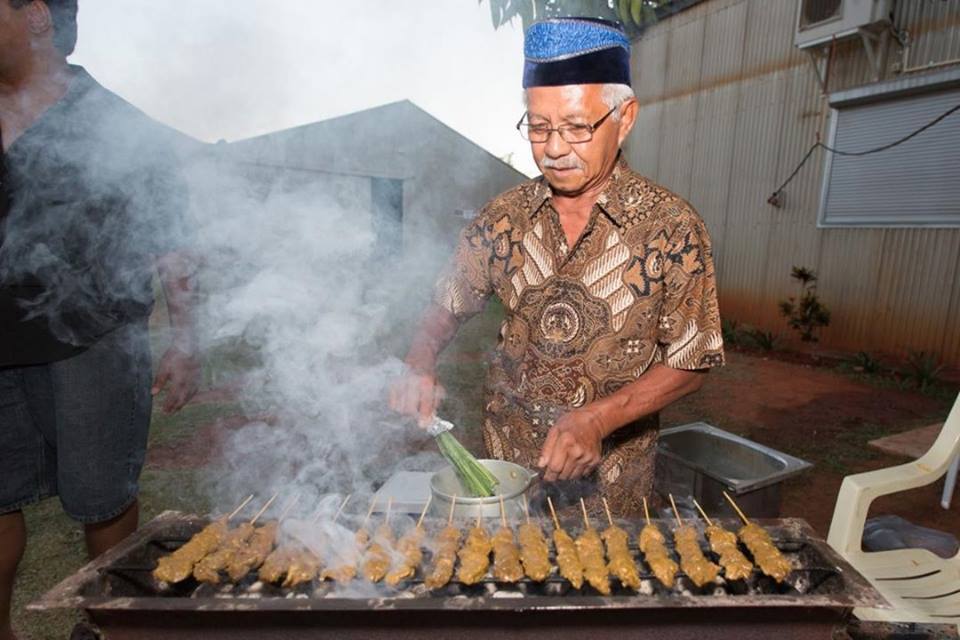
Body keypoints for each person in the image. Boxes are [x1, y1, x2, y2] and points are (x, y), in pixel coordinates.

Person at [390, 17, 723, 518]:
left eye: (576, 127)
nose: (553, 148)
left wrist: (598, 419)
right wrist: (419, 361)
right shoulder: (503, 217)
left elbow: (691, 359)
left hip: (612, 489)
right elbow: (447, 303)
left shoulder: (671, 228)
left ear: (625, 117)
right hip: (503, 482)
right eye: (539, 127)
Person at [0, 2, 200, 638]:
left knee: (101, 498)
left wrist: (187, 340)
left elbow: (172, 241)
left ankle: (110, 623)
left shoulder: (117, 125)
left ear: (34, 15)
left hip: (94, 343)